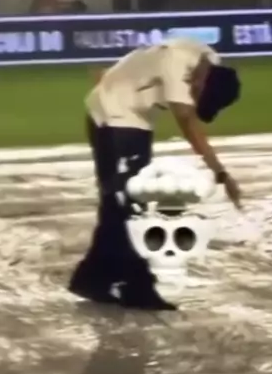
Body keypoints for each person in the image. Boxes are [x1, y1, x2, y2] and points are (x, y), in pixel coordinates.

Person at [69, 37, 242, 311]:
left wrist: (113, 77)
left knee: (118, 202)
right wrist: (220, 172)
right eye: (197, 94)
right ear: (202, 81)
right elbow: (186, 121)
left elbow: (142, 62)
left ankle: (92, 279)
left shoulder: (207, 58)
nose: (193, 98)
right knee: (130, 203)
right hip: (118, 116)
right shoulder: (177, 64)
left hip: (123, 113)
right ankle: (136, 287)